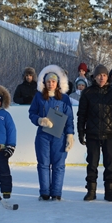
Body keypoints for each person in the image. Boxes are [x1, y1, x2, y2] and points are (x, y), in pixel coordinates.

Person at [77, 64, 112, 202]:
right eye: (99, 75)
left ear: (107, 77)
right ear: (95, 77)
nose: (102, 78)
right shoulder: (87, 93)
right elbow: (82, 115)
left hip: (109, 134)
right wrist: (81, 132)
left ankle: (109, 191)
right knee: (92, 163)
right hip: (92, 134)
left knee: (109, 164)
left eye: (104, 75)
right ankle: (91, 191)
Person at [28, 64, 74, 201]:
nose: (51, 84)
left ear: (58, 83)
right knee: (43, 164)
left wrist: (70, 135)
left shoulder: (64, 99)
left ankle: (56, 193)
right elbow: (31, 113)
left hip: (59, 136)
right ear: (44, 82)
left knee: (59, 165)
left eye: (53, 81)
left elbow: (70, 118)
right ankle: (45, 193)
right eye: (48, 81)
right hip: (43, 136)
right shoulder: (39, 97)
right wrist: (40, 120)